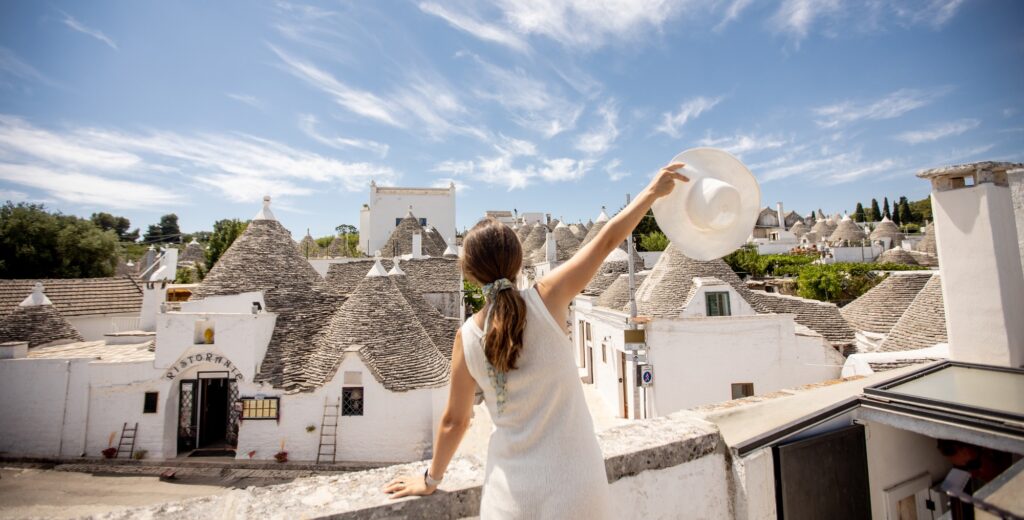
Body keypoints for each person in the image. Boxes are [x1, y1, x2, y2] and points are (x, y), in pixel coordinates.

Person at [383, 163, 689, 518]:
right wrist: (651, 191)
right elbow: (606, 240)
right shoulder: (548, 299)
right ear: (518, 262)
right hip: (578, 489)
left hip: (509, 498)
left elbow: (456, 421)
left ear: (468, 272)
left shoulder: (465, 337)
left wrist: (430, 478)